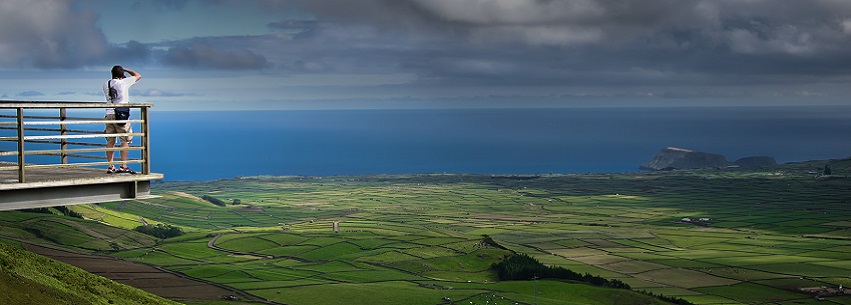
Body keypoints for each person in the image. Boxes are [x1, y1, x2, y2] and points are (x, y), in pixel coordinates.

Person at [103, 65, 141, 174]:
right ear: (122, 75)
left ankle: (110, 166)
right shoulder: (124, 82)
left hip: (108, 114)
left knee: (110, 141)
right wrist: (126, 70)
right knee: (125, 140)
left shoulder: (106, 84)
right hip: (121, 115)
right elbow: (138, 76)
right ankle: (123, 166)